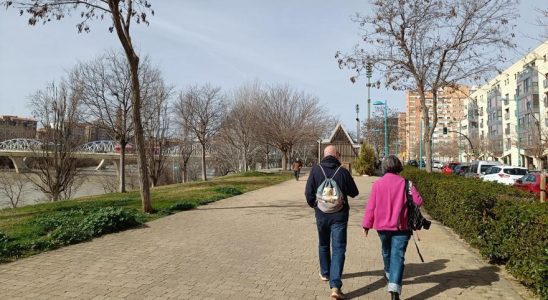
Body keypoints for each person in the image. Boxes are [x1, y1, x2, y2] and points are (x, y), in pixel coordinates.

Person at [362, 155, 423, 300]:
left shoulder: (377, 184)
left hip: (382, 227)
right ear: (399, 166)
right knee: (398, 256)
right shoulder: (407, 184)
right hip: (402, 227)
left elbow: (371, 207)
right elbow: (419, 201)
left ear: (384, 167)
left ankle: (389, 274)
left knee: (386, 251)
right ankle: (394, 289)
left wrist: (366, 225)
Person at [305, 145, 359, 299]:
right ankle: (335, 286)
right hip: (339, 216)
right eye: (339, 154)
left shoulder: (315, 170)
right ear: (336, 155)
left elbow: (308, 193)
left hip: (321, 215)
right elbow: (354, 192)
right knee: (339, 248)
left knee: (323, 244)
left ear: (324, 155)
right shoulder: (342, 171)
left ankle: (325, 273)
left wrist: (315, 205)